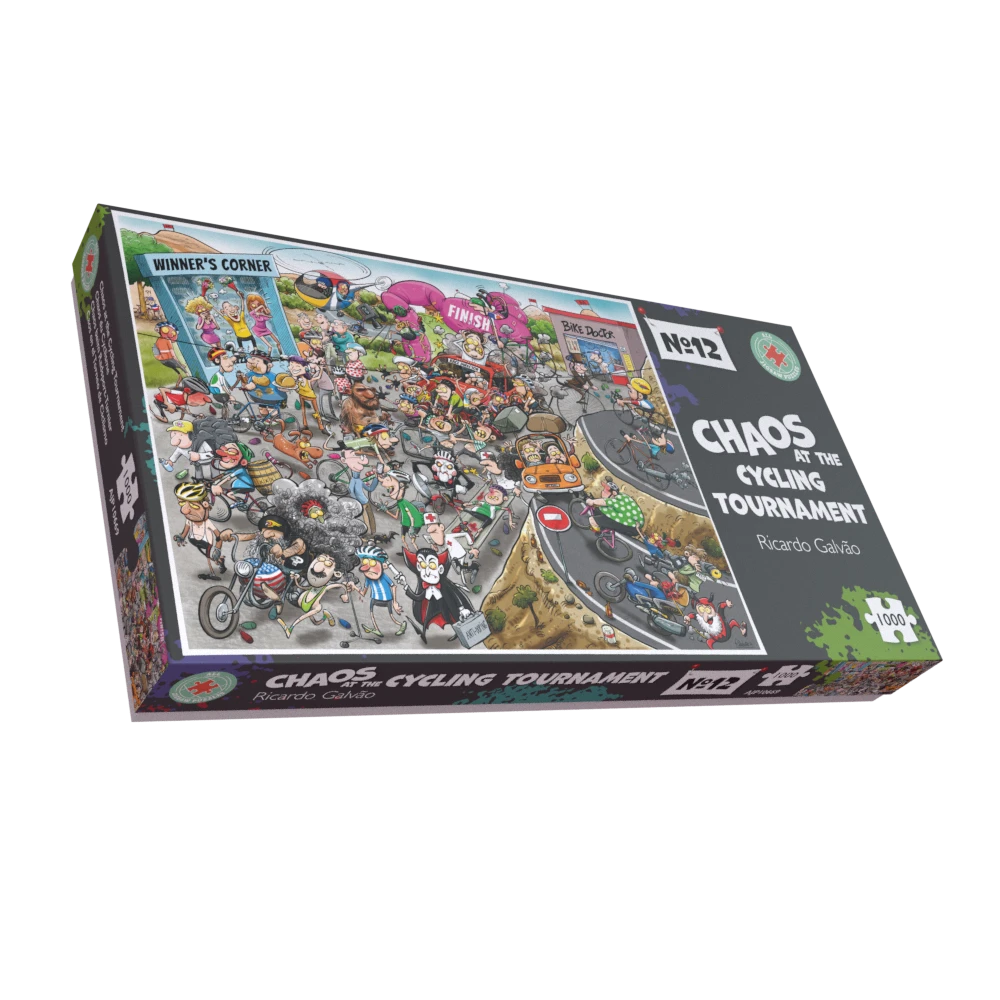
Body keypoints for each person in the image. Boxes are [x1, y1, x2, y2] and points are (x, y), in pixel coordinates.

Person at [277, 552, 351, 638]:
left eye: (328, 563)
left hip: (307, 604)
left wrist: (345, 595)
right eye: (321, 558)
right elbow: (301, 586)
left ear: (336, 573)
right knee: (316, 622)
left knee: (314, 618)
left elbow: (340, 585)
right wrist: (297, 579)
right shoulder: (313, 585)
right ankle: (327, 617)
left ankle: (292, 627)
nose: (318, 566)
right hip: (303, 601)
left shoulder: (322, 595)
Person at [172, 481, 226, 580]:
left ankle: (212, 573)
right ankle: (220, 561)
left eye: (193, 505)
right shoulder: (189, 520)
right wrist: (181, 537)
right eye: (182, 503)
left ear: (205, 504)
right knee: (210, 557)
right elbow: (185, 530)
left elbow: (219, 536)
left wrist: (217, 549)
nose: (184, 510)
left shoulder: (207, 523)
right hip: (194, 540)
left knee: (208, 557)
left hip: (206, 542)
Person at [349, 544, 406, 637]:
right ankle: (377, 629)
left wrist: (395, 602)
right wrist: (354, 586)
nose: (368, 568)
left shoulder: (383, 576)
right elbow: (363, 593)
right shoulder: (368, 579)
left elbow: (393, 586)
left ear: (383, 566)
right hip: (374, 598)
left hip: (387, 598)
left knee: (391, 616)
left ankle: (401, 625)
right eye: (365, 562)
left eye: (372, 563)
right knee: (372, 614)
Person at [376, 468, 425, 551]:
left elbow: (411, 517)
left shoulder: (404, 503)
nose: (390, 492)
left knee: (412, 541)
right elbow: (396, 516)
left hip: (414, 524)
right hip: (405, 523)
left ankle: (417, 552)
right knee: (403, 540)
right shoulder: (399, 503)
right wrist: (386, 510)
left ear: (401, 486)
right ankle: (408, 551)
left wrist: (412, 528)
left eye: (392, 488)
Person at [586, 476, 645, 541]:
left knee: (593, 520)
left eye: (606, 491)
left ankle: (599, 532)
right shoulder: (623, 496)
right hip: (635, 525)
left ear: (613, 493)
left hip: (630, 526)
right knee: (602, 512)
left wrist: (592, 501)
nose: (603, 492)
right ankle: (605, 529)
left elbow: (606, 502)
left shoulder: (617, 500)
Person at [343, 448, 378, 534]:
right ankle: (371, 531)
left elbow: (351, 491)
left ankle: (370, 531)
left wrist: (376, 478)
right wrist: (376, 479)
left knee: (367, 517)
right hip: (364, 501)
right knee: (369, 517)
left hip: (362, 503)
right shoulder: (358, 481)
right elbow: (370, 489)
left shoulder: (356, 481)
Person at [286, 356, 325, 433]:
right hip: (301, 395)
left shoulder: (308, 379)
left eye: (297, 366)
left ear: (306, 368)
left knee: (316, 411)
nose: (293, 368)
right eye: (291, 365)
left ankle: (321, 426)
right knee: (303, 411)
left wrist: (321, 369)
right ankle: (305, 425)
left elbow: (318, 377)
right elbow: (295, 387)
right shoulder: (297, 380)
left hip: (311, 396)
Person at [206, 347, 239, 419]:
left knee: (226, 405)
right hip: (219, 395)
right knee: (227, 404)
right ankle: (225, 417)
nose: (230, 362)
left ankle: (225, 417)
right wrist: (230, 395)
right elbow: (223, 387)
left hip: (220, 394)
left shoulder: (220, 374)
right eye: (225, 358)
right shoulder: (218, 375)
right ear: (217, 360)